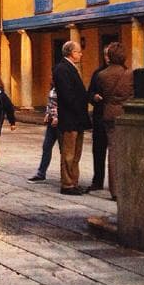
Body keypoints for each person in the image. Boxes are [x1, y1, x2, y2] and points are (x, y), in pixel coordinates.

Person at [92, 42, 133, 200]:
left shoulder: (102, 75)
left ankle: (114, 188)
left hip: (108, 113)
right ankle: (124, 185)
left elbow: (101, 92)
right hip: (124, 113)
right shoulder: (130, 74)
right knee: (124, 150)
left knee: (113, 151)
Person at [53, 40, 89, 195]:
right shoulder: (62, 68)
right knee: (68, 153)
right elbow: (67, 94)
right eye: (78, 52)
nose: (80, 54)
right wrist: (79, 107)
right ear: (70, 53)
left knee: (76, 152)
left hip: (77, 118)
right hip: (70, 118)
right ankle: (67, 183)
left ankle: (74, 181)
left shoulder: (71, 68)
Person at [87, 45, 112, 192]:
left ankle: (114, 182)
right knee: (98, 150)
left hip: (113, 116)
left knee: (114, 152)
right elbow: (90, 92)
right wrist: (93, 97)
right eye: (105, 55)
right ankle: (98, 180)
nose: (107, 58)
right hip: (99, 115)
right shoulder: (98, 73)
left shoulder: (124, 73)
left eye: (109, 55)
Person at [29, 82, 58, 182]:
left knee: (64, 150)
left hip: (60, 121)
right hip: (51, 121)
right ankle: (41, 173)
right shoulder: (53, 88)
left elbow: (64, 103)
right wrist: (47, 114)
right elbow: (50, 103)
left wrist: (57, 117)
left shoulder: (63, 86)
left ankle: (66, 176)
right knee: (46, 146)